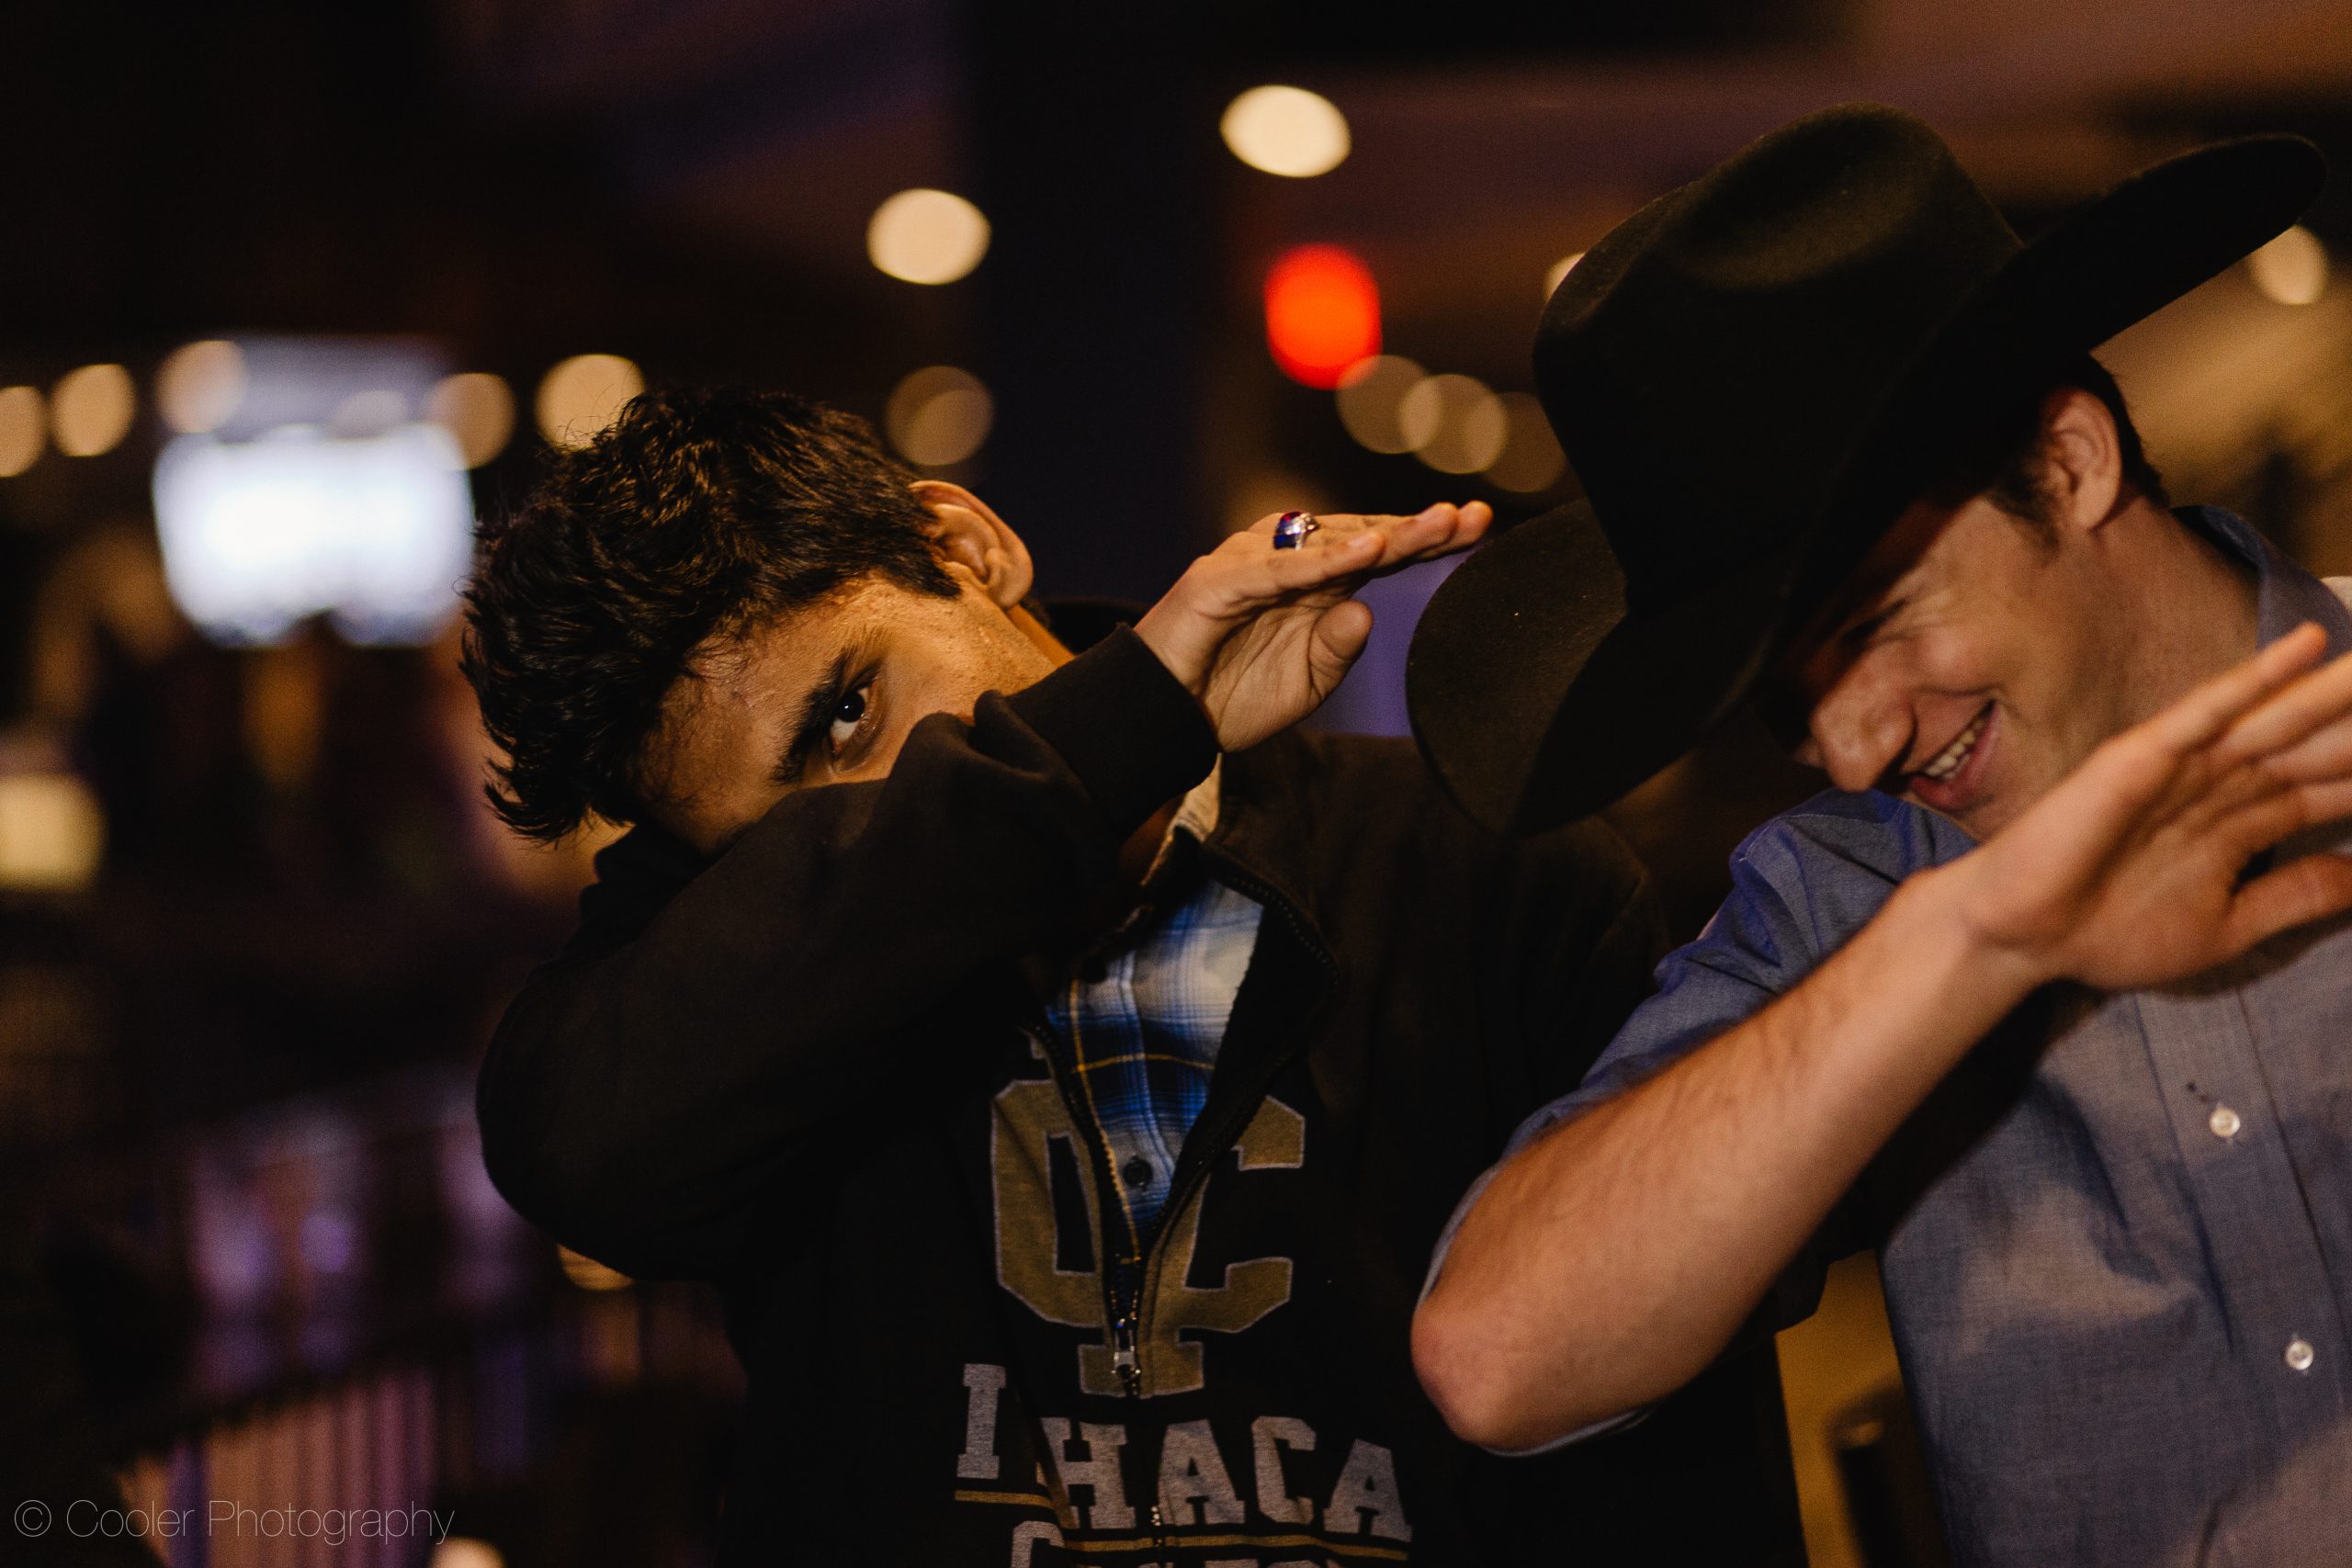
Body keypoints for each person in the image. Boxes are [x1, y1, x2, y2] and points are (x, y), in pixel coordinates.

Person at [459, 388, 1804, 1565]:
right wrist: (1121, 728)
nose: (883, 831)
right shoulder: (754, 1013)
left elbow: (1671, 1470)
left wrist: (1120, 735)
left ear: (965, 549)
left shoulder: (1479, 877)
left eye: (854, 709)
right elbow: (566, 1142)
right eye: (794, 846)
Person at [1405, 103, 2352, 1566]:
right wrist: (1978, 939)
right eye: (1783, 702)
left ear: (2070, 462)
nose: (1851, 750)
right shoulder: (1847, 901)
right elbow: (1497, 1356)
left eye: (1874, 628)